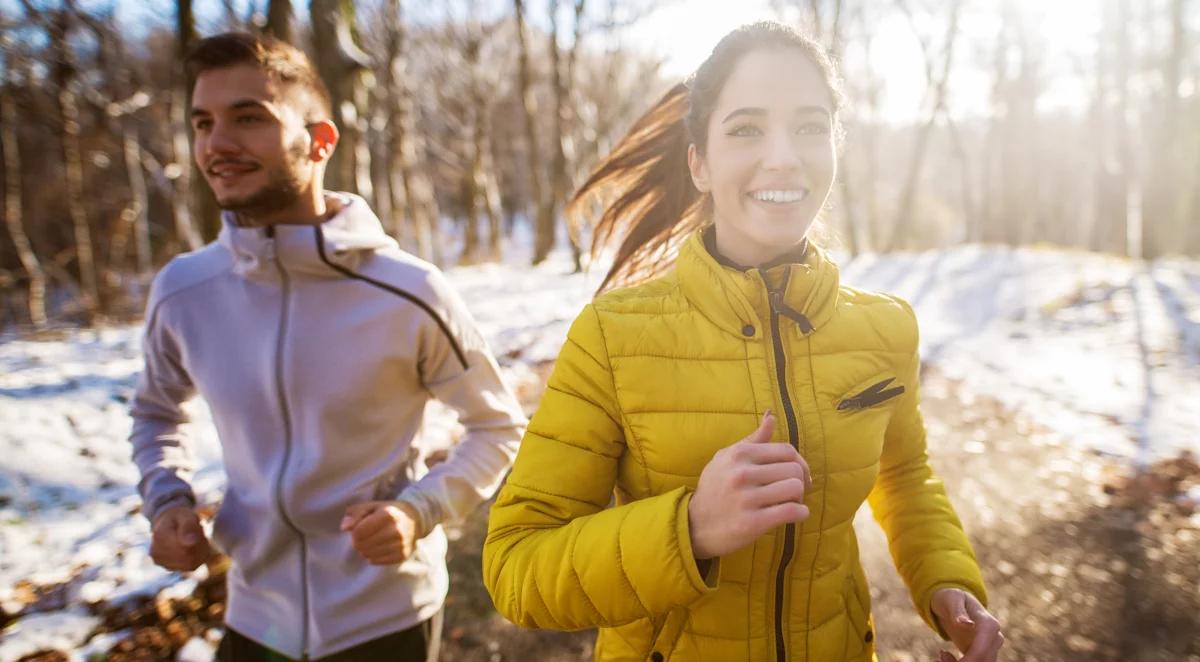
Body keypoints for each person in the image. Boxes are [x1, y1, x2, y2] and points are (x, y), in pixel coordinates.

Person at [483, 21, 1004, 662]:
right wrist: (691, 528)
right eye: (746, 128)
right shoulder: (612, 339)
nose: (783, 155)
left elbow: (903, 477)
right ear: (698, 162)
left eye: (810, 126)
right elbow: (516, 565)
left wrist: (946, 578)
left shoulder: (884, 327)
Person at [128, 32, 525, 661]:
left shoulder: (409, 290)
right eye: (203, 123)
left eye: (248, 119)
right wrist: (166, 500)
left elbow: (498, 426)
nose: (217, 144)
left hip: (385, 617)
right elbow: (156, 412)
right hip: (255, 615)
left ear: (319, 142)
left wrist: (418, 511)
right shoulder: (184, 291)